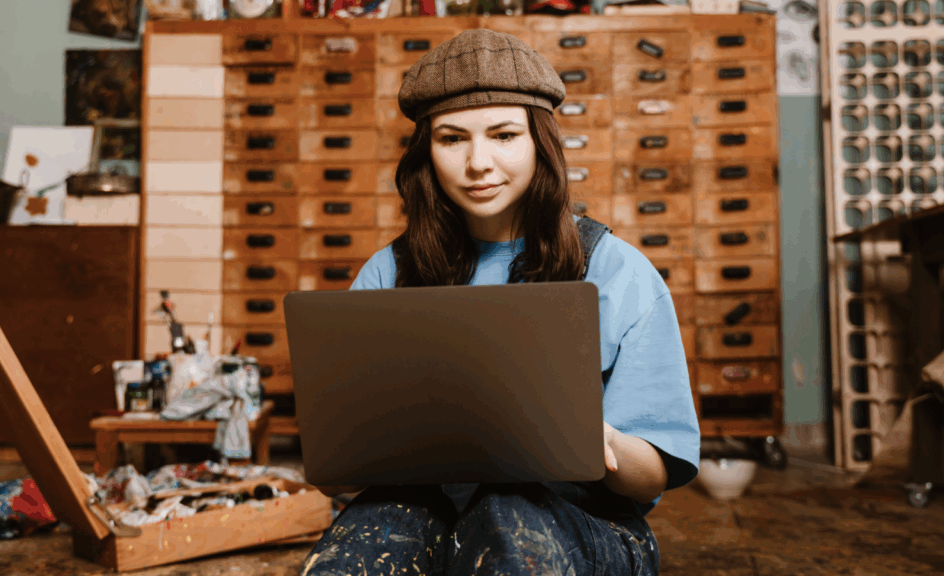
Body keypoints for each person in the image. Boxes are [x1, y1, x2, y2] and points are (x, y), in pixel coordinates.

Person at [297, 28, 699, 576]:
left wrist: (591, 439)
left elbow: (652, 474)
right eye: (452, 138)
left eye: (504, 135)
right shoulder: (388, 273)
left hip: (581, 517)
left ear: (541, 143)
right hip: (427, 511)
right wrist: (342, 454)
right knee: (350, 557)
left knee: (504, 521)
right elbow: (338, 479)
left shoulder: (617, 271)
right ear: (426, 153)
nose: (478, 162)